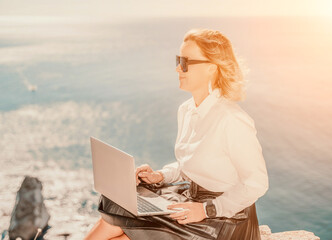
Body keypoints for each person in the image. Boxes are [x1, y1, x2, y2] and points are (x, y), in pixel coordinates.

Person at [84, 28, 269, 240]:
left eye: (185, 62)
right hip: (191, 202)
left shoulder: (232, 119)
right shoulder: (186, 110)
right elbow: (191, 165)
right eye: (177, 60)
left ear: (211, 68)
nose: (178, 69)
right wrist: (160, 176)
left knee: (123, 236)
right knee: (112, 215)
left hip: (225, 219)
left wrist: (208, 209)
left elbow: (256, 183)